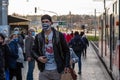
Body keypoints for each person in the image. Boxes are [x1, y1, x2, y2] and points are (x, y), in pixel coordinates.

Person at [32, 14, 70, 80]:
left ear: (51, 23)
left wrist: (67, 65)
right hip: (43, 70)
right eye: (43, 22)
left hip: (57, 69)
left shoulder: (59, 35)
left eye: (47, 22)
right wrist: (39, 58)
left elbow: (66, 50)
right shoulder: (38, 37)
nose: (45, 23)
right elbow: (33, 50)